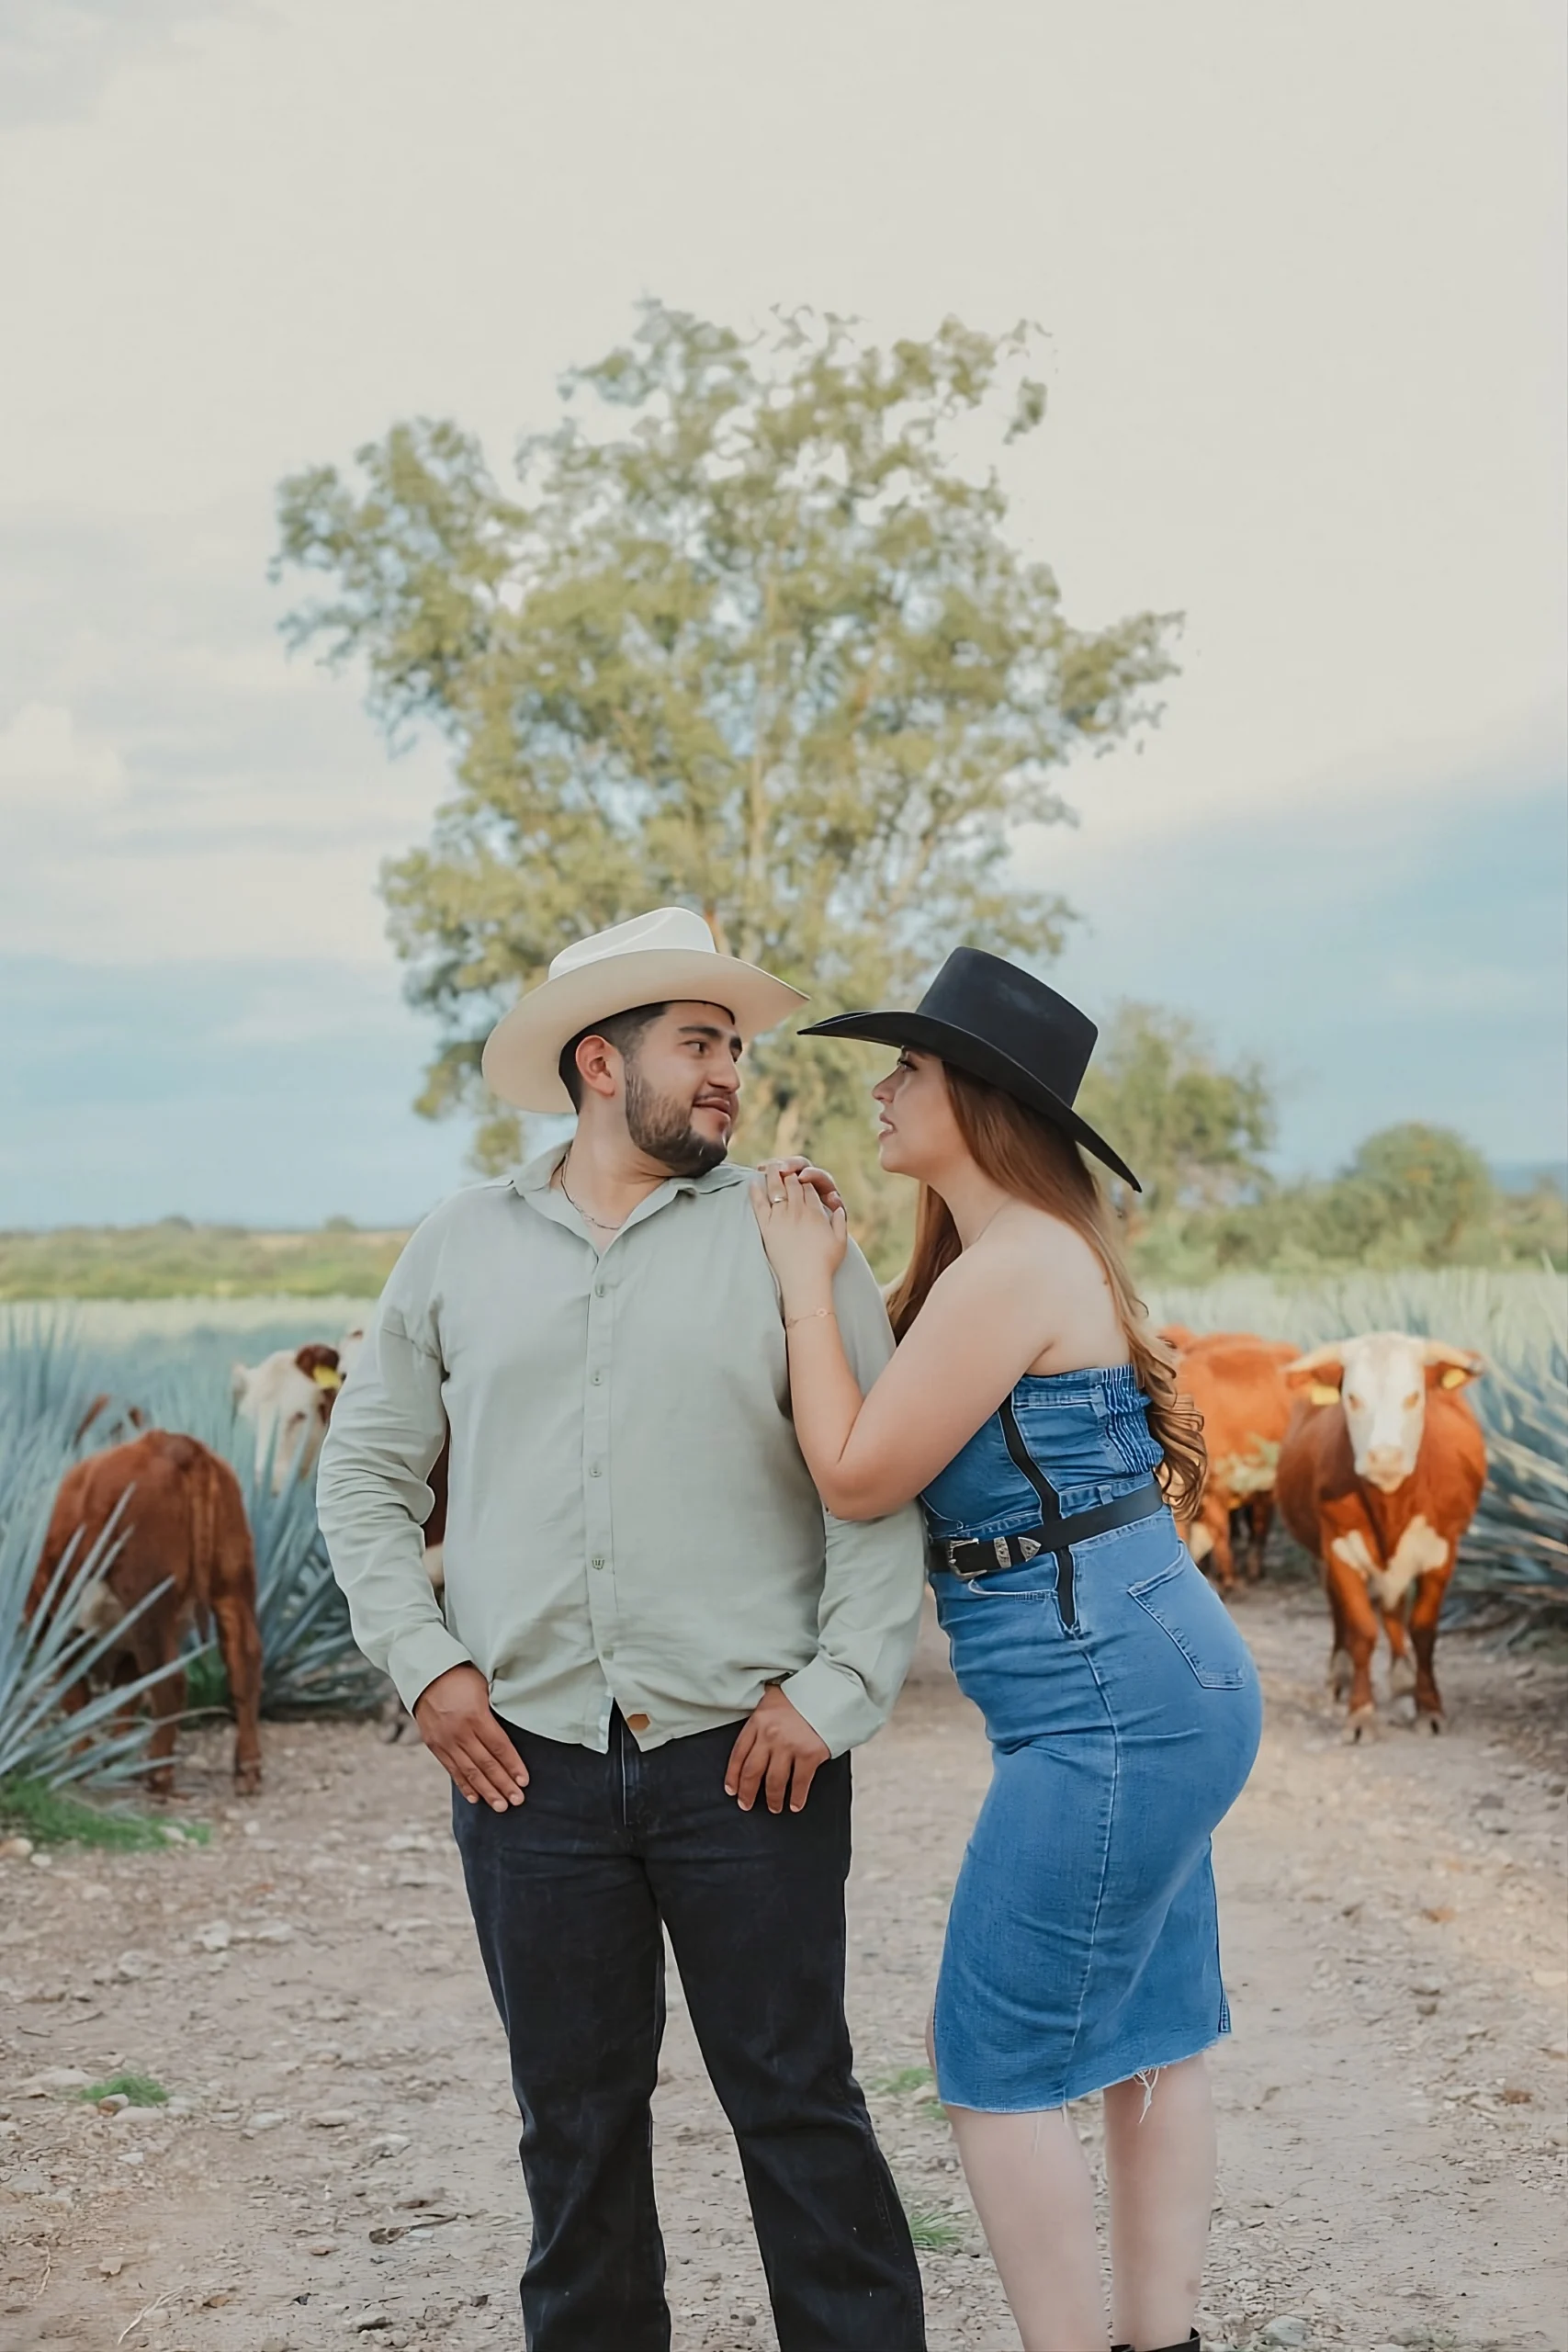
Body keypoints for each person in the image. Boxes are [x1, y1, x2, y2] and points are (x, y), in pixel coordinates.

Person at [316, 906, 930, 2352]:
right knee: (574, 2129)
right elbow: (365, 1471)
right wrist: (427, 1665)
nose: (730, 1075)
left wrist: (835, 1687)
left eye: (735, 1050)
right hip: (525, 1768)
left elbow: (872, 1482)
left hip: (749, 1759)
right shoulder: (458, 1245)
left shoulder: (791, 1237)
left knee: (799, 2108)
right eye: (700, 1045)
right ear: (601, 1063)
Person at [750, 945, 1263, 2352]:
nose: (880, 1088)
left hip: (1113, 1703)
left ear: (979, 1100)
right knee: (1151, 2033)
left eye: (907, 1067)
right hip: (1152, 1680)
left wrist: (800, 1279)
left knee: (987, 2057)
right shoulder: (1012, 1257)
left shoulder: (1014, 1265)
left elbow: (855, 1472)